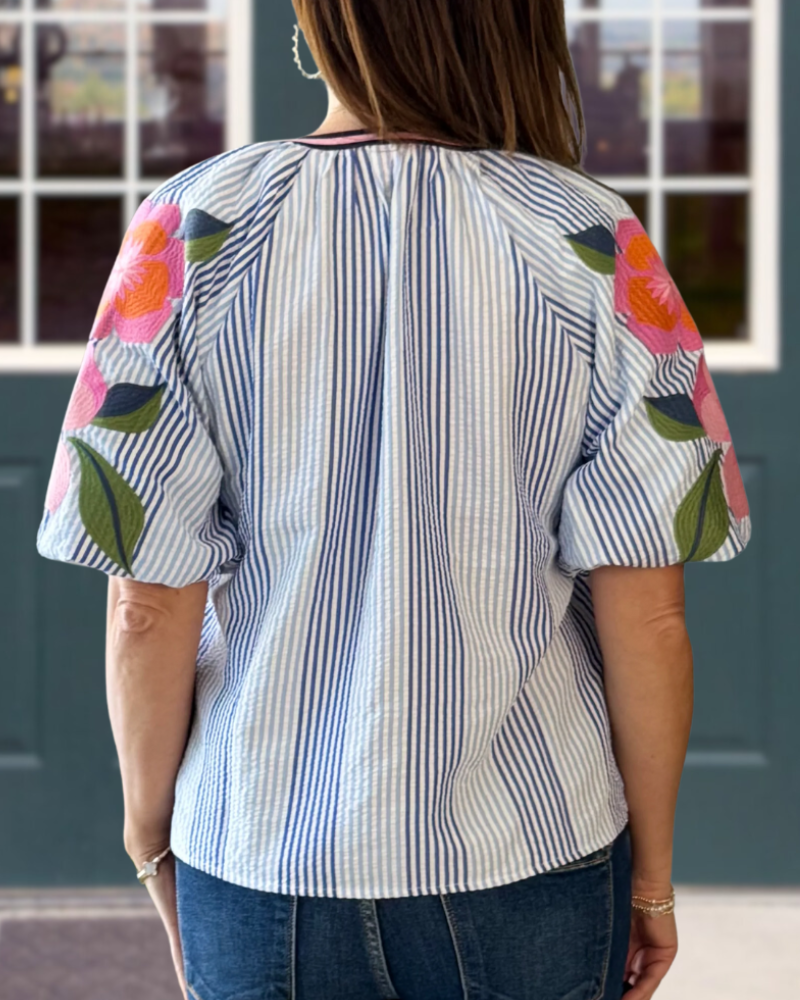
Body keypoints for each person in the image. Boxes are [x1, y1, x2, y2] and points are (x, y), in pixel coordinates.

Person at [36, 1, 751, 997]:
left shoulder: (189, 229)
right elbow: (650, 606)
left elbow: (145, 599)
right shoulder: (588, 237)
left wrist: (150, 833)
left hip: (257, 852)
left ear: (319, 23)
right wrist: (656, 877)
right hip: (529, 849)